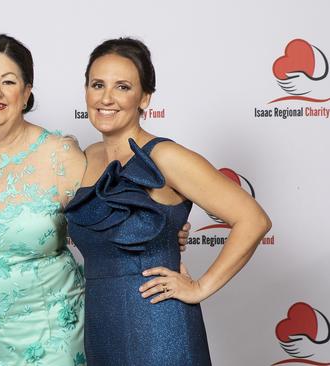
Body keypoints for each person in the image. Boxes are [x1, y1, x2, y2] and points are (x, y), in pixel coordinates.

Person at [0, 30, 192, 366]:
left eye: (8, 81)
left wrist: (167, 232)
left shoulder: (61, 155)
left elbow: (117, 214)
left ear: (26, 93)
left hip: (53, 341)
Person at [64, 38, 272, 365]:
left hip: (159, 327)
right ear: (86, 91)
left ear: (144, 97)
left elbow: (253, 219)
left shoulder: (166, 156)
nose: (106, 98)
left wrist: (200, 286)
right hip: (101, 327)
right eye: (97, 85)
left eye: (122, 87)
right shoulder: (85, 158)